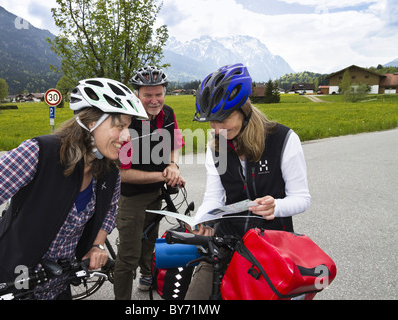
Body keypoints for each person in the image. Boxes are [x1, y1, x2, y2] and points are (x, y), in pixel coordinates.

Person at [0, 78, 148, 300]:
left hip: (57, 286)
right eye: (119, 125)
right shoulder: (39, 153)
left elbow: (110, 211)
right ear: (92, 122)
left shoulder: (109, 170)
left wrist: (96, 245)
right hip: (7, 286)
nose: (127, 136)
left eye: (128, 126)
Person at [185, 63, 311, 299]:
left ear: (244, 111)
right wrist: (201, 220)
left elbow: (302, 198)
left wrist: (277, 206)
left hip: (272, 246)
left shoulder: (284, 139)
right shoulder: (216, 148)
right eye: (211, 122)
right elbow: (213, 198)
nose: (217, 128)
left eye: (223, 119)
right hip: (228, 241)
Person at [114, 66, 186, 300]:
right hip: (132, 196)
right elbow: (123, 175)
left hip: (156, 192)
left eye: (159, 94)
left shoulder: (168, 113)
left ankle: (148, 277)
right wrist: (164, 176)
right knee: (128, 255)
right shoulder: (127, 123)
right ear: (137, 95)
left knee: (150, 240)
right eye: (148, 95)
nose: (154, 101)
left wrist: (173, 165)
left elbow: (175, 143)